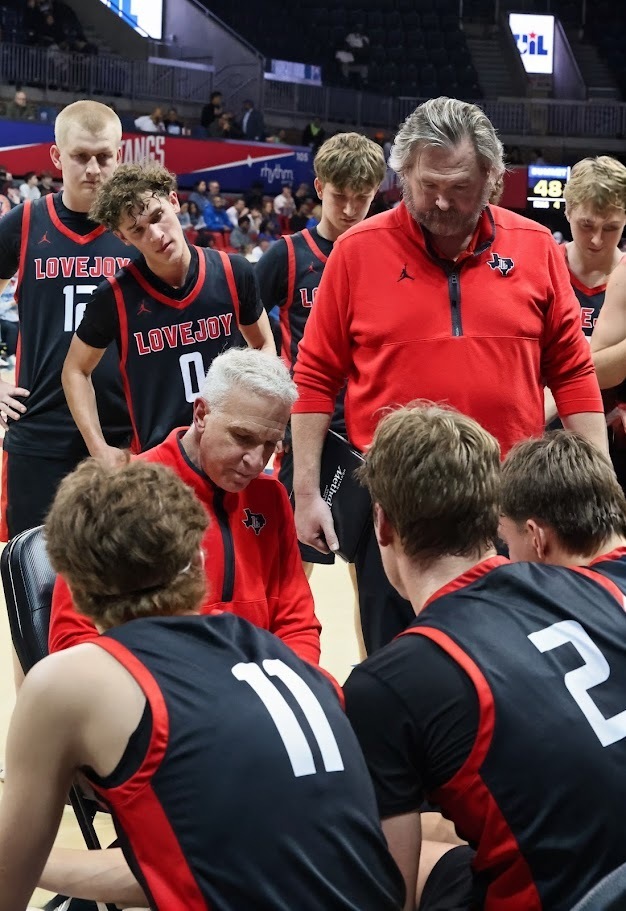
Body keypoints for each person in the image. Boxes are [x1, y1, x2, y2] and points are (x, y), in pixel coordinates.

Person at [0, 457, 405, 911]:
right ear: (198, 558)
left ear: (72, 585)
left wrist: (22, 856)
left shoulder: (74, 682)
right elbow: (212, 866)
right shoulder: (275, 653)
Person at [291, 95, 606, 654]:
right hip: (396, 509)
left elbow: (573, 372)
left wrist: (599, 479)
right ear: (403, 172)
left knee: (513, 661)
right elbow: (314, 377)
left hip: (509, 503)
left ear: (490, 177)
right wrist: (306, 489)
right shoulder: (355, 253)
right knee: (398, 661)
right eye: (425, 183)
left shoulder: (536, 248)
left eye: (458, 187)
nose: (439, 200)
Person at [343, 402, 626, 911]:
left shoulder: (387, 683)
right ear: (492, 517)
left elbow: (389, 896)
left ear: (382, 524)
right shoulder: (598, 584)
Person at [50, 347, 321, 666]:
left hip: (254, 694)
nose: (256, 460)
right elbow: (73, 637)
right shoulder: (124, 493)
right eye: (243, 437)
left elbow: (297, 624)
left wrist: (292, 686)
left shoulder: (270, 497)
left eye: (270, 444)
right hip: (161, 694)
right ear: (202, 414)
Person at [61, 162, 275, 461]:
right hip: (159, 462)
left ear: (174, 201)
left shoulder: (233, 271)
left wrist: (263, 414)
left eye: (158, 216)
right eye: (137, 230)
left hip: (231, 452)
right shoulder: (114, 296)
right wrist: (98, 448)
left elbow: (263, 344)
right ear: (123, 238)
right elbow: (75, 370)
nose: (156, 235)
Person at [0, 99, 132, 540]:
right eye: (80, 156)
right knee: (37, 587)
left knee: (120, 588)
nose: (93, 169)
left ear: (120, 154)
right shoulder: (24, 222)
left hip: (122, 434)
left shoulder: (140, 231)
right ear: (57, 156)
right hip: (40, 430)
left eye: (104, 156)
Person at [256, 132, 386, 574]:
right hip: (311, 431)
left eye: (362, 198)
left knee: (371, 571)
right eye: (339, 197)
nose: (350, 210)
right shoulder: (288, 255)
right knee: (295, 562)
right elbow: (240, 319)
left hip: (374, 431)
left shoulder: (386, 255)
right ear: (318, 188)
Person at [543, 156, 626, 479]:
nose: (596, 240)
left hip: (612, 444)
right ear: (567, 211)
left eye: (611, 229)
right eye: (586, 225)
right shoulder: (541, 266)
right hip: (542, 437)